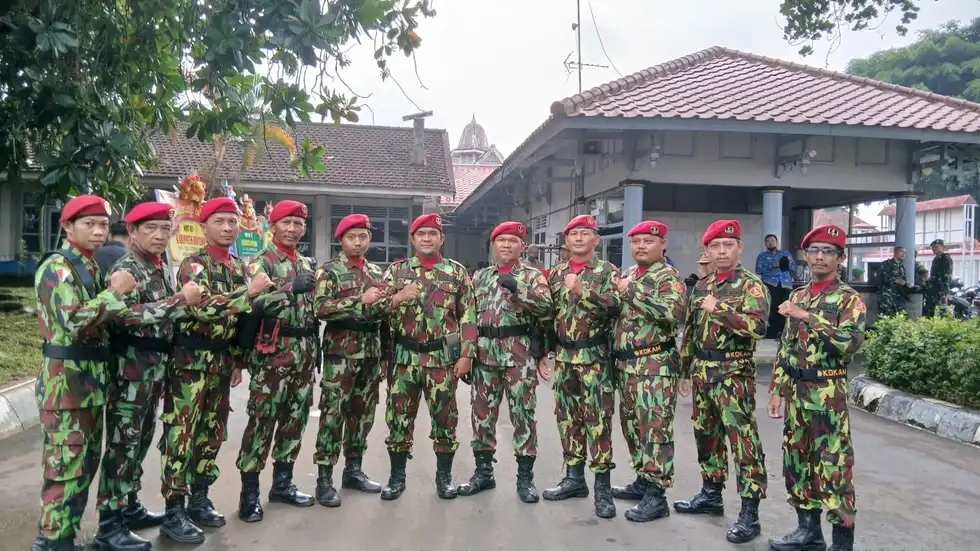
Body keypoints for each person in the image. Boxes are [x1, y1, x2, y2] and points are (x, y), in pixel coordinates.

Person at [158, 197, 273, 545]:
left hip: (221, 363)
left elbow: (244, 319)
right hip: (190, 363)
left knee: (211, 432)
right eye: (219, 221)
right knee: (181, 435)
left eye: (232, 222)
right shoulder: (194, 265)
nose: (226, 228)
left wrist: (238, 359)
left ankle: (198, 497)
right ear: (204, 226)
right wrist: (247, 293)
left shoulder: (239, 265)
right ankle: (173, 510)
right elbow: (200, 310)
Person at [31, 195, 137, 551]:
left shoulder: (89, 266)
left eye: (103, 225)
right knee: (65, 468)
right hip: (66, 386)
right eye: (89, 224)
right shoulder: (58, 267)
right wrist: (115, 294)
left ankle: (63, 537)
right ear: (67, 226)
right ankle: (53, 542)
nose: (98, 231)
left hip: (89, 385)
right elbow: (72, 321)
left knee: (83, 466)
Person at [96, 202, 202, 551]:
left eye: (164, 228)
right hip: (130, 373)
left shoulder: (156, 266)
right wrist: (179, 302)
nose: (159, 235)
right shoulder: (125, 268)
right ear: (133, 233)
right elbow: (124, 315)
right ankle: (109, 526)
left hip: (153, 371)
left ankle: (129, 505)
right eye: (150, 229)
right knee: (121, 446)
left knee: (139, 442)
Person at [768, 224, 865, 551]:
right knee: (796, 462)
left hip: (826, 395)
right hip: (795, 393)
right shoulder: (798, 294)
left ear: (840, 258)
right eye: (815, 251)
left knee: (833, 467)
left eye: (828, 251)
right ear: (806, 256)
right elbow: (787, 346)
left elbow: (850, 345)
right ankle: (808, 532)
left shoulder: (847, 299)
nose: (820, 257)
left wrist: (809, 317)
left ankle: (842, 543)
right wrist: (777, 388)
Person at [674, 219, 770, 544]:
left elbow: (757, 327)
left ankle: (750, 511)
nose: (722, 251)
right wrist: (685, 369)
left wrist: (721, 310)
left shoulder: (751, 286)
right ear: (707, 251)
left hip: (734, 373)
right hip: (703, 370)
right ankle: (711, 493)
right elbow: (690, 330)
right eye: (715, 246)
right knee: (707, 434)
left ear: (739, 248)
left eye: (728, 245)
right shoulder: (702, 285)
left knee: (742, 440)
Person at [376, 213, 477, 500]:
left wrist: (466, 355)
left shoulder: (457, 273)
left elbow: (468, 317)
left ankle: (443, 477)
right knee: (398, 419)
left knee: (445, 419)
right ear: (413, 239)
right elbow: (377, 312)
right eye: (422, 234)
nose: (427, 238)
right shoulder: (396, 272)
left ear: (441, 238)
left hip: (441, 360)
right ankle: (397, 478)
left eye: (433, 233)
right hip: (405, 357)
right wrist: (396, 298)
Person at [456, 221, 553, 502]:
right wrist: (467, 353)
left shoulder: (533, 276)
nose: (507, 245)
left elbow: (547, 309)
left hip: (518, 355)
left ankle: (525, 479)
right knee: (482, 415)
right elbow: (468, 317)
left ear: (522, 246)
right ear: (494, 245)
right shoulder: (480, 277)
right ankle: (483, 473)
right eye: (502, 241)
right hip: (485, 355)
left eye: (513, 241)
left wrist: (519, 289)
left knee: (523, 415)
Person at [236, 201, 319, 522]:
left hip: (304, 352)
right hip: (273, 353)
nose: (293, 229)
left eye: (299, 224)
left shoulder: (308, 263)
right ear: (273, 226)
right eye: (287, 223)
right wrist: (289, 288)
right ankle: (250, 494)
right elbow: (252, 302)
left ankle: (282, 484)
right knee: (262, 420)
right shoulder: (261, 262)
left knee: (294, 419)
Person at [541, 214, 621, 519]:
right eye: (573, 234)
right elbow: (548, 315)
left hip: (595, 358)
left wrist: (582, 292)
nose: (578, 238)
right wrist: (543, 352)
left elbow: (616, 306)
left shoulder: (606, 271)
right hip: (564, 357)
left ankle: (603, 488)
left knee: (598, 420)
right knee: (567, 418)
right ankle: (574, 479)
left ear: (595, 240)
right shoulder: (555, 274)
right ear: (565, 241)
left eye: (585, 233)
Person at [609, 221, 686, 523]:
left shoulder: (668, 278)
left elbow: (670, 313)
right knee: (631, 427)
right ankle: (643, 478)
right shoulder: (628, 274)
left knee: (655, 429)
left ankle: (657, 493)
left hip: (654, 365)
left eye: (648, 241)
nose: (641, 246)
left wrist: (631, 292)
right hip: (626, 366)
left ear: (663, 244)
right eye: (636, 241)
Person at [312, 213, 387, 507]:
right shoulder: (328, 271)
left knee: (363, 414)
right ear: (340, 240)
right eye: (351, 237)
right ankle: (324, 478)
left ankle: (353, 470)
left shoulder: (375, 272)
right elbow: (321, 308)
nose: (358, 242)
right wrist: (360, 301)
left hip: (370, 353)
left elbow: (383, 318)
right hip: (340, 354)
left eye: (363, 237)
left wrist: (385, 357)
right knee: (333, 415)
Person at [755, 234, 796, 339]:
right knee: (772, 308)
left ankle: (782, 332)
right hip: (770, 284)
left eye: (772, 240)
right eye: (768, 241)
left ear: (777, 242)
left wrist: (783, 264)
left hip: (785, 284)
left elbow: (793, 267)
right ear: (765, 244)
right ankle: (771, 332)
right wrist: (772, 265)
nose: (770, 242)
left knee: (785, 308)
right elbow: (758, 270)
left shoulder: (785, 253)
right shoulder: (762, 256)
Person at [877, 246, 909, 317]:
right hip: (887, 296)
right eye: (901, 252)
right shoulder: (887, 264)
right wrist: (896, 281)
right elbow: (882, 278)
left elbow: (903, 280)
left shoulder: (901, 267)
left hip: (898, 297)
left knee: (899, 317)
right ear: (895, 252)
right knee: (886, 317)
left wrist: (905, 283)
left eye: (905, 253)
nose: (903, 254)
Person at [924, 239, 953, 317]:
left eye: (936, 247)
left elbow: (947, 276)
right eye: (933, 247)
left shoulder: (945, 258)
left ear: (942, 247)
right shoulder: (936, 259)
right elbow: (934, 275)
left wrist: (945, 293)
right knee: (931, 310)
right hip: (933, 289)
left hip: (940, 290)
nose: (934, 249)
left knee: (940, 312)